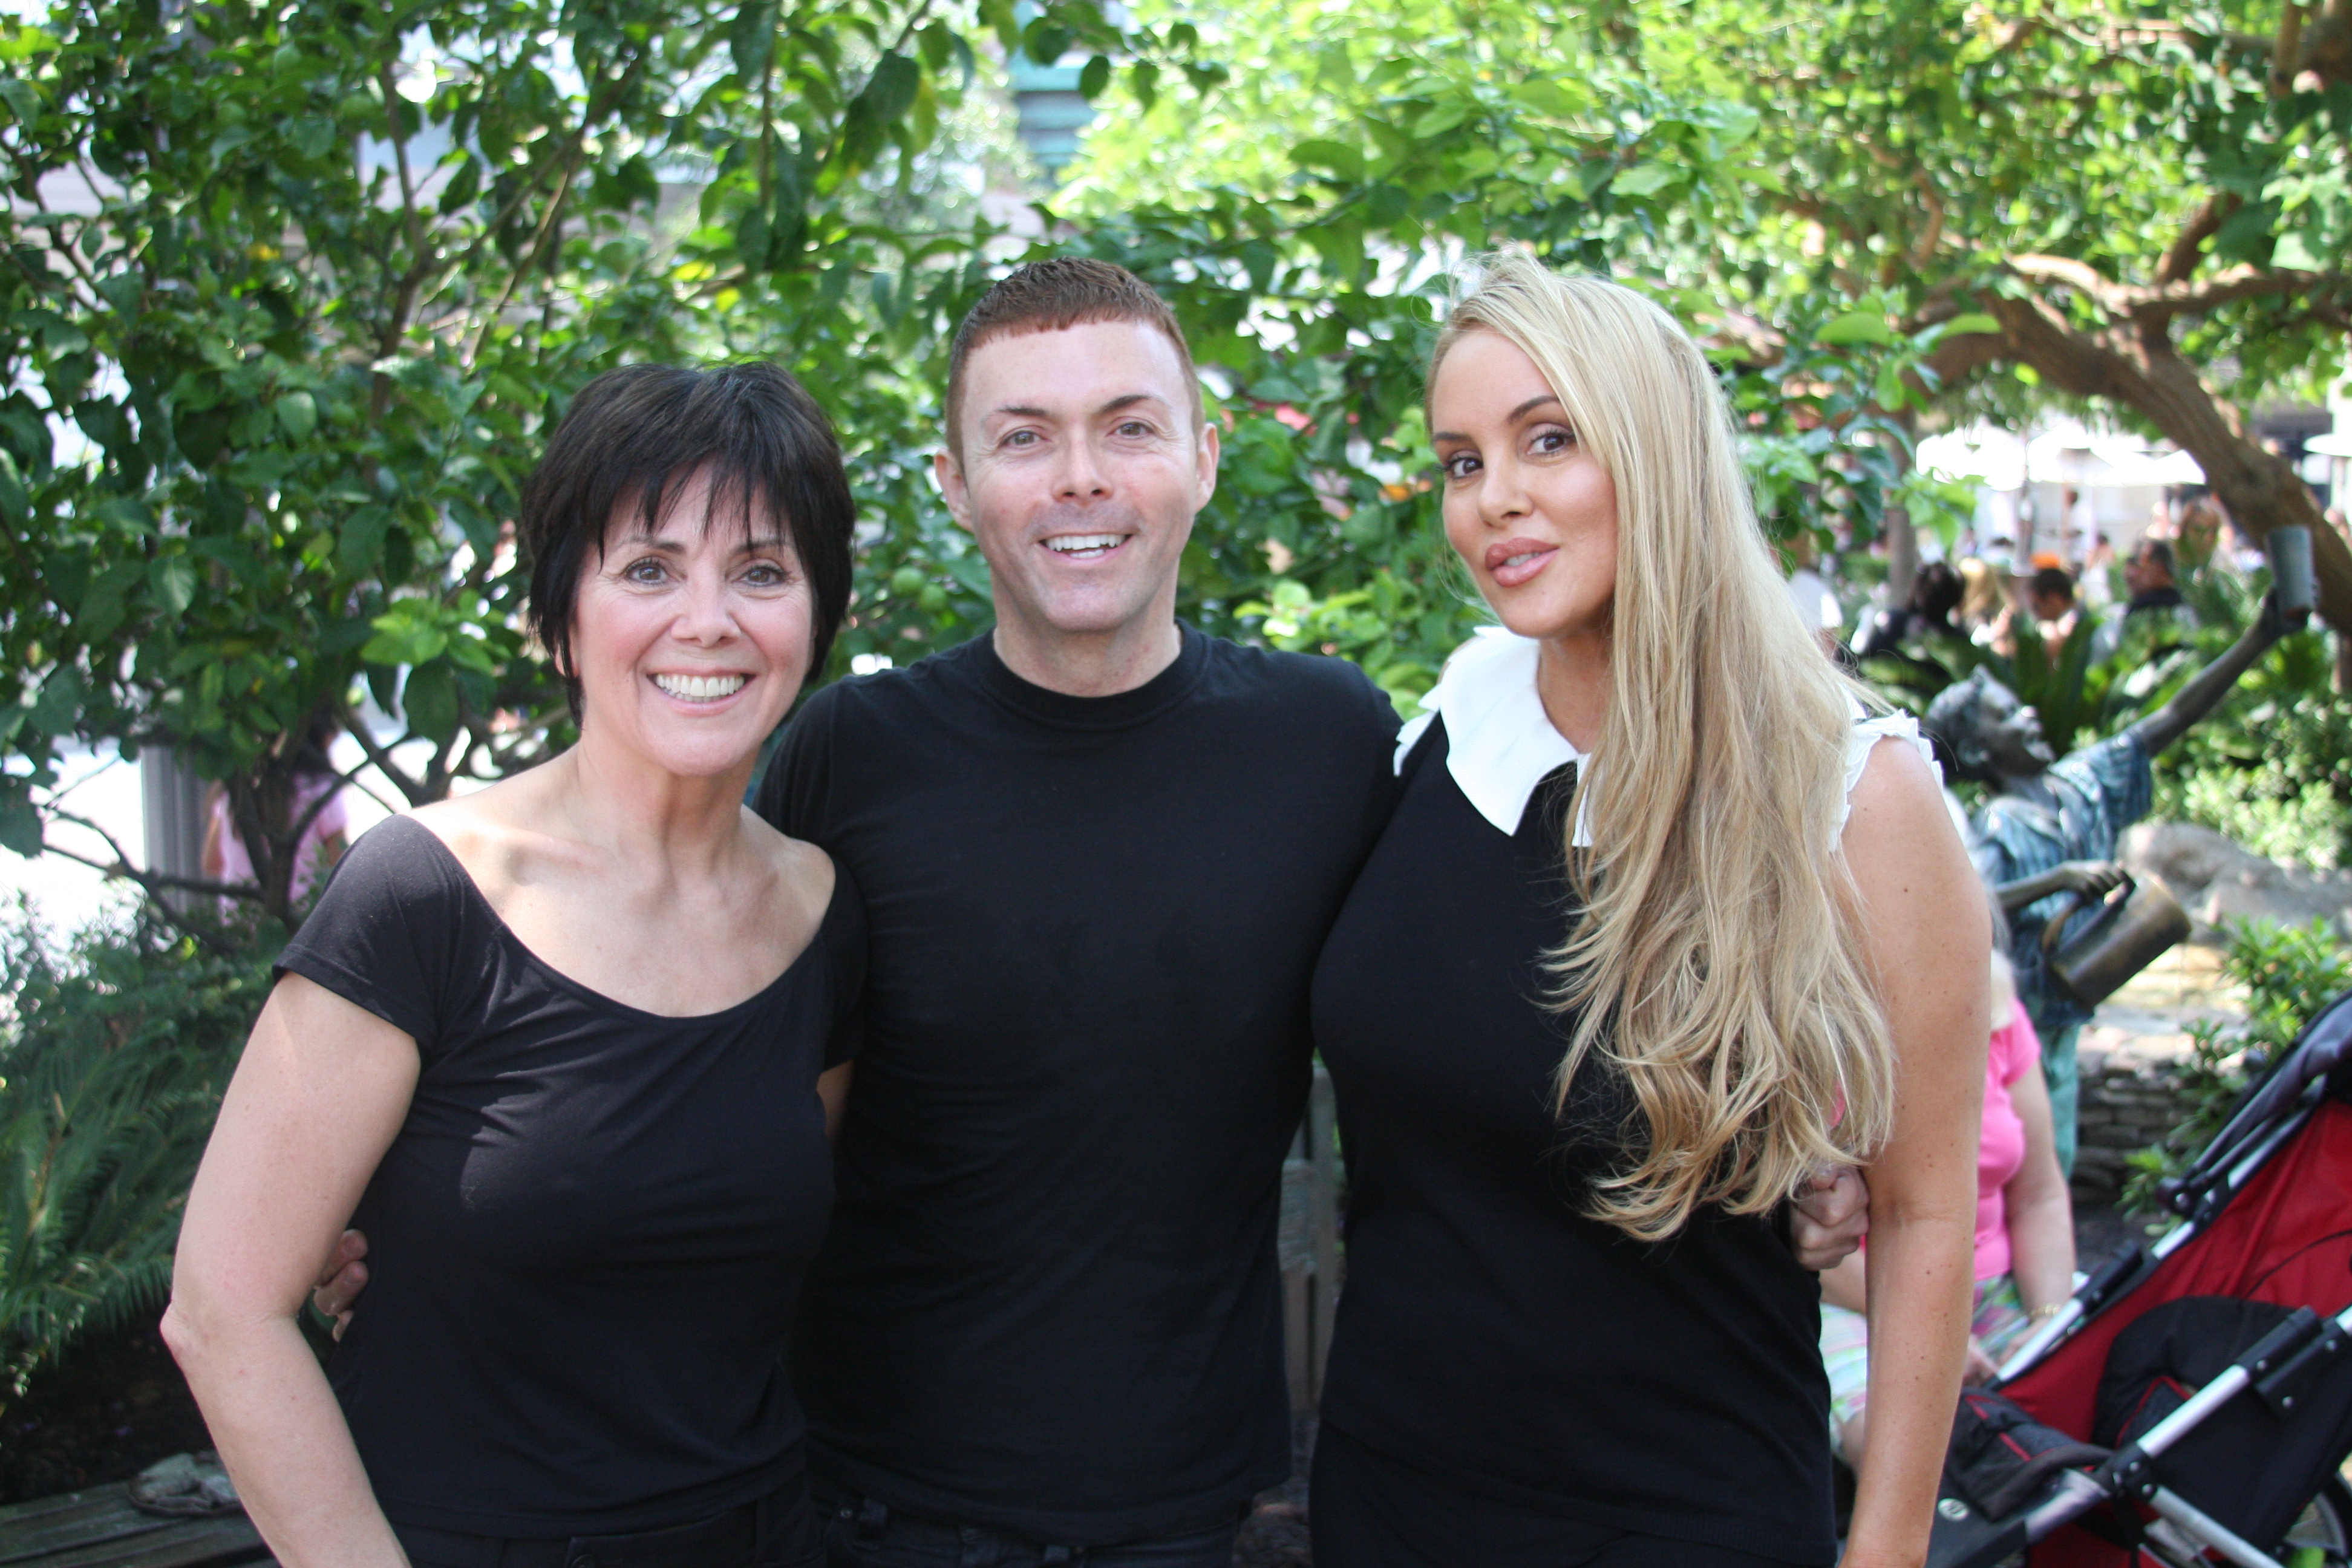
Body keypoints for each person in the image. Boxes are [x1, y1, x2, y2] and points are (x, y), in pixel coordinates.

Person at [315, 258, 1870, 1568]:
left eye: (1128, 429)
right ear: (956, 484)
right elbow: (681, 1024)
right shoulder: (851, 757)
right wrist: (415, 1204)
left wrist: (1792, 1152)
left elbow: (1498, 983)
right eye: (1025, 437)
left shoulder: (1334, 744)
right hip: (866, 1501)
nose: (1078, 479)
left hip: (1200, 1509)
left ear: (1202, 457)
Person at [1307, 258, 1986, 1567]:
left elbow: (1923, 1216)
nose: (1494, 497)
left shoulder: (1852, 789)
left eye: (1548, 439)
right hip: (1392, 1499)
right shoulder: (1454, 725)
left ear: (1658, 453)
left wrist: (1890, 1551)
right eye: (1461, 460)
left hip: (1681, 1516)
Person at [165, 362, 864, 1568]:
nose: (709, 620)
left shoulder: (821, 910)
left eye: (761, 570)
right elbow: (224, 1314)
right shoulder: (425, 892)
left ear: (818, 611)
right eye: (648, 568)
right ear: (563, 609)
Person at [1925, 586, 2296, 1172]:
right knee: (2019, 1158)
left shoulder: (2081, 786)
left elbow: (2172, 717)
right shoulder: (1997, 827)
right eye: (2004, 715)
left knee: (2058, 1151)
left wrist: (2260, 636)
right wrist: (2058, 880)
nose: (2025, 713)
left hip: (2070, 1011)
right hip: (2020, 1023)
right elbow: (1970, 906)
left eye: (2018, 704)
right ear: (1976, 747)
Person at [1820, 945, 2075, 1466]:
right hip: (1861, 1296)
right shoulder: (1814, 1023)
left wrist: (2048, 1317)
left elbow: (2040, 1195)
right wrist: (1936, 1338)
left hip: (1994, 1289)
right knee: (1910, 1456)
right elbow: (1795, 1226)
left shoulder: (1998, 1009)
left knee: (2091, 1384)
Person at [201, 713, 350, 913]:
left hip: (237, 922)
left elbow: (212, 863)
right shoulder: (320, 788)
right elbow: (341, 870)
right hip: (300, 925)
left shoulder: (235, 788)